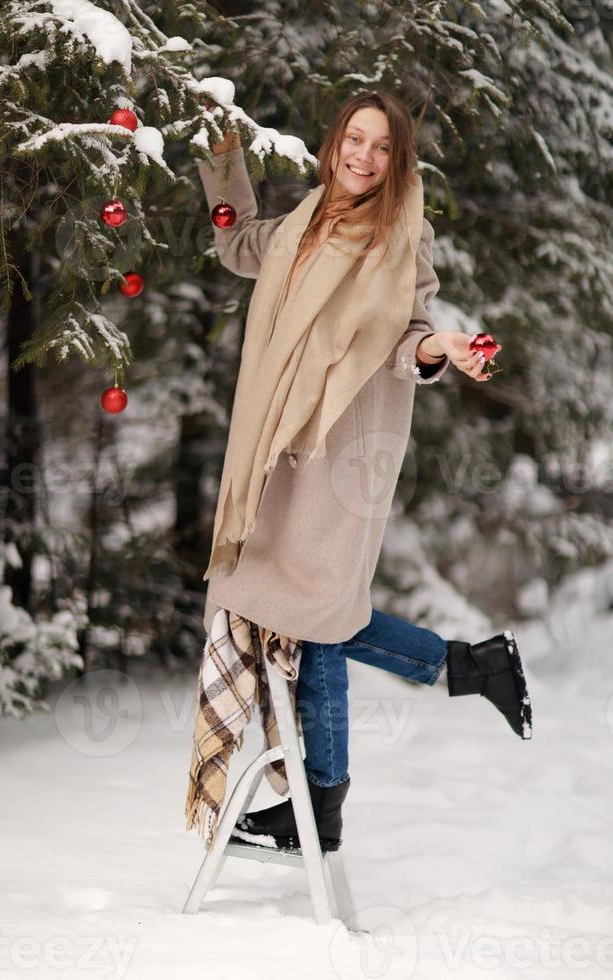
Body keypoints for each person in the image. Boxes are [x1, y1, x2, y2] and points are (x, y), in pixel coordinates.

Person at [194, 90, 532, 853]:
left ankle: (323, 801)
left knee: (314, 616)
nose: (365, 157)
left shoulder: (401, 237)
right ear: (335, 142)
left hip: (344, 453)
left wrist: (441, 347)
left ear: (397, 158)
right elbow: (240, 244)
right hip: (279, 450)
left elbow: (410, 332)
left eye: (382, 147)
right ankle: (468, 668)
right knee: (308, 610)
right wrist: (221, 156)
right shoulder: (308, 220)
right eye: (355, 139)